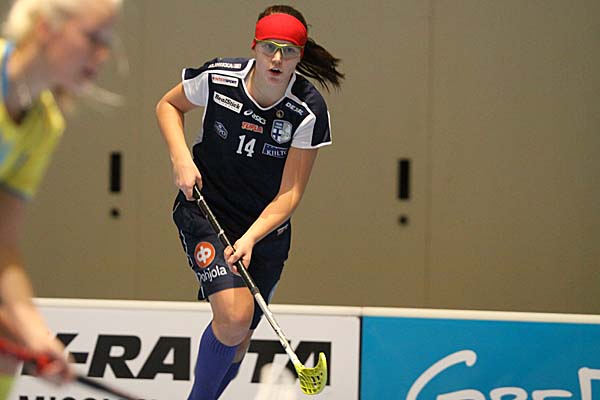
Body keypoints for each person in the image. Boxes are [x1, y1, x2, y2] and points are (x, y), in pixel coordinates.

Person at [156, 4, 344, 400]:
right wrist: (181, 157)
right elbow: (168, 105)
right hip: (207, 211)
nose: (277, 59)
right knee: (234, 318)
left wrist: (252, 237)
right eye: (269, 47)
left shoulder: (307, 110)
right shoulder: (219, 78)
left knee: (238, 340)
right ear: (254, 46)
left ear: (300, 55)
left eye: (288, 51)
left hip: (264, 231)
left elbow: (290, 193)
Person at [0, 0, 122, 396]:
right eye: (92, 38)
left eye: (107, 42)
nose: (102, 55)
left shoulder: (43, 124)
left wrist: (37, 336)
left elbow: (3, 244)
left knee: (10, 341)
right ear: (46, 28)